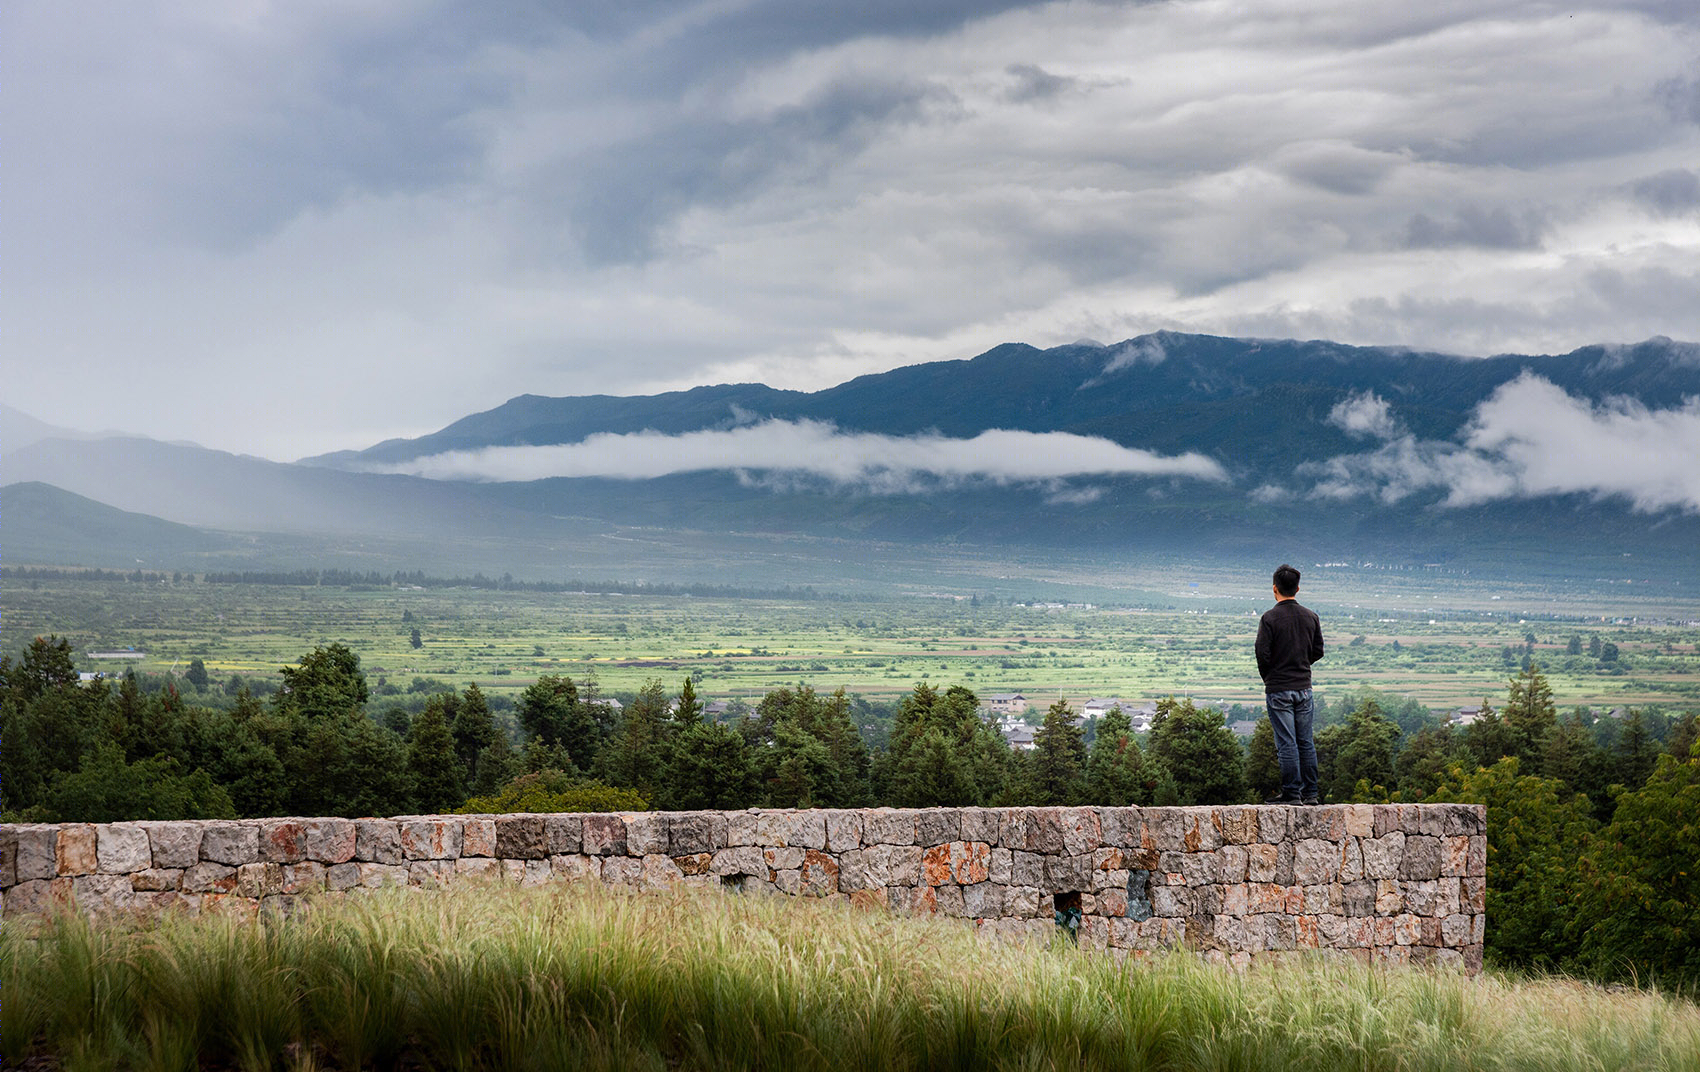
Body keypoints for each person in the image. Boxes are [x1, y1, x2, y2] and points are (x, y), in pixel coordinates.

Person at [1255, 564, 1324, 805]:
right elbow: (1318, 651)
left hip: (1279, 688)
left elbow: (1262, 654)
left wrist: (1271, 677)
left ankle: (1292, 793)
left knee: (1286, 742)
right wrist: (1301, 665)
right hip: (1304, 687)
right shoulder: (1311, 616)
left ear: (1275, 588)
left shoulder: (1269, 618)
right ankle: (1311, 793)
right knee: (1306, 741)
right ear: (1297, 588)